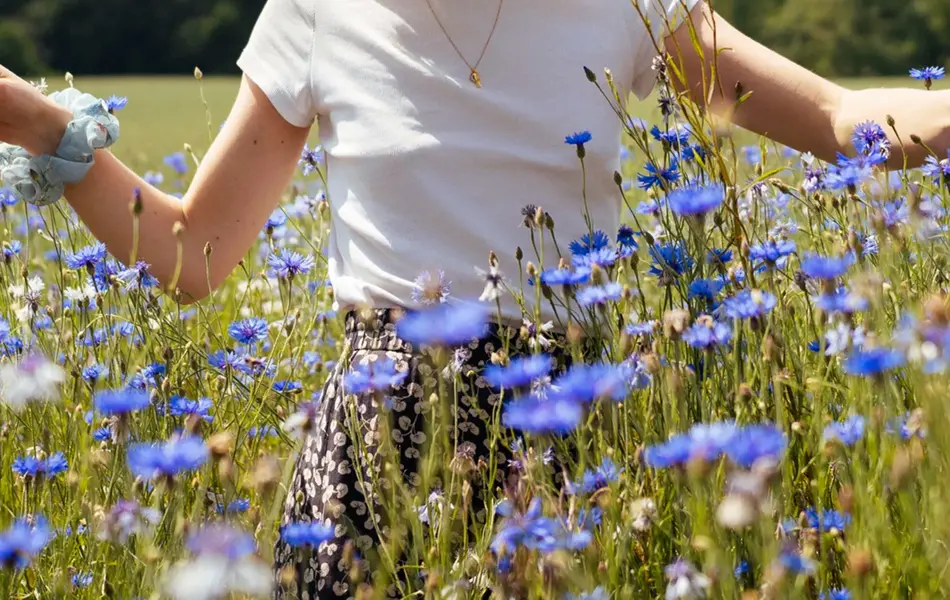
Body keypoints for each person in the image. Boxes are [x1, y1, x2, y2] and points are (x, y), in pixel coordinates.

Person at [0, 0, 947, 597]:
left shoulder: (627, 6)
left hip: (576, 437)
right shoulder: (316, 14)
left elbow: (836, 120)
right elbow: (192, 253)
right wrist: (44, 126)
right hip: (381, 452)